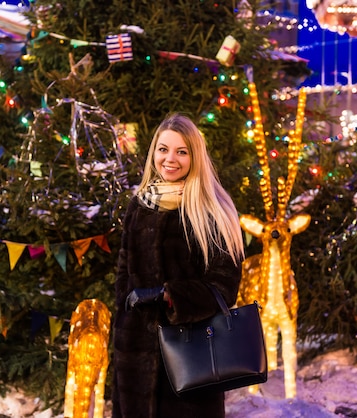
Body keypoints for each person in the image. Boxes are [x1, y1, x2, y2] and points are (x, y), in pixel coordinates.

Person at [112, 113, 245, 418]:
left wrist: (168, 295)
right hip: (134, 358)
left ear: (194, 157)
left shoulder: (211, 210)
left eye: (181, 151)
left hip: (190, 357)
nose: (170, 159)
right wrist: (125, 313)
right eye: (163, 149)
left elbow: (223, 287)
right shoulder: (140, 204)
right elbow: (123, 273)